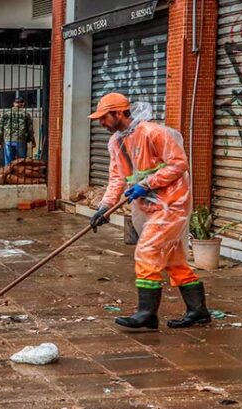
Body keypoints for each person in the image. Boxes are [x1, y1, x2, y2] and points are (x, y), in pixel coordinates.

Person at [89, 92, 209, 329]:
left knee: (147, 251)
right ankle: (198, 311)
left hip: (172, 203)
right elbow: (117, 177)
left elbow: (179, 164)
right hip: (150, 206)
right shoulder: (116, 142)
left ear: (120, 113)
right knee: (173, 260)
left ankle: (147, 314)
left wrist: (146, 184)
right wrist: (104, 207)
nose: (101, 122)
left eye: (104, 117)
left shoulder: (154, 132)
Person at [0, 96, 36, 166]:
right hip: (20, 140)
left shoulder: (6, 113)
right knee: (21, 162)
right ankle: (20, 175)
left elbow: (1, 127)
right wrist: (33, 141)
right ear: (23, 104)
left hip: (8, 139)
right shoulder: (26, 114)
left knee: (8, 163)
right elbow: (30, 129)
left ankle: (8, 175)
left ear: (13, 103)